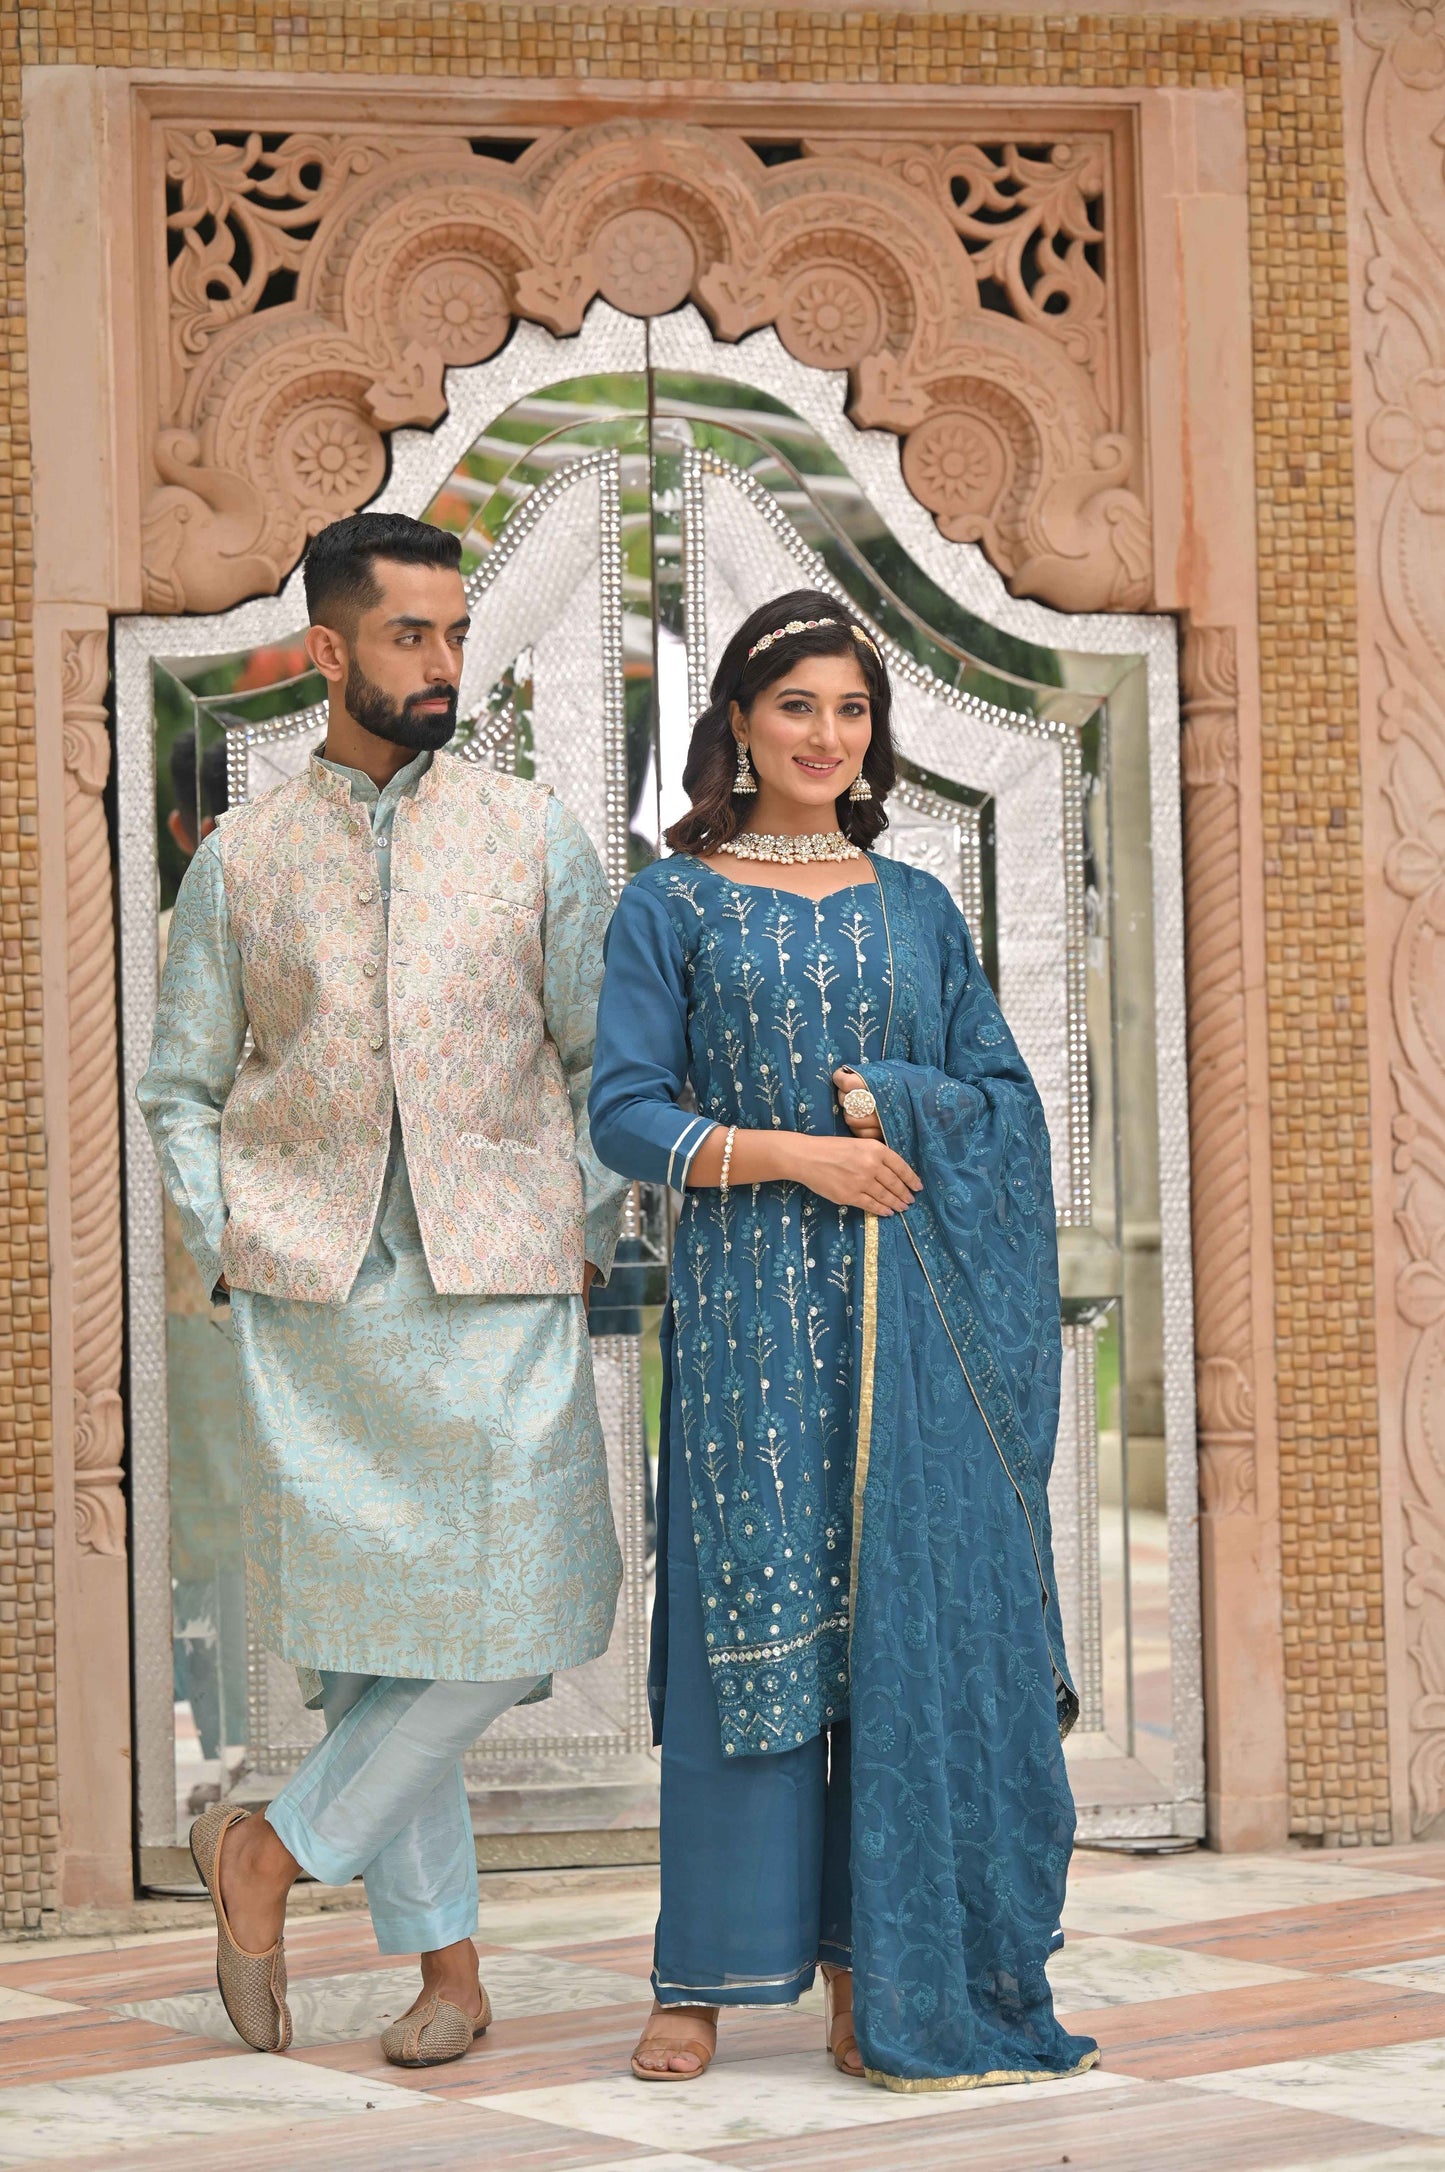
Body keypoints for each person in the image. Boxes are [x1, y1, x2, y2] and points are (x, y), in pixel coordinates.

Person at [589, 589, 1099, 2093]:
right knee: (748, 1641)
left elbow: (1003, 1106)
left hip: (908, 1337)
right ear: (739, 725)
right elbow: (624, 1114)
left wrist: (898, 1101)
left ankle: (877, 1967)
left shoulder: (918, 908)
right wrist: (798, 1154)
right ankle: (701, 1977)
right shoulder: (671, 904)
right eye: (796, 706)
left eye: (852, 710)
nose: (826, 736)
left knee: (890, 1649)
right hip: (748, 1324)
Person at [139, 510, 626, 2068]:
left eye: (454, 633)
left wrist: (576, 1218)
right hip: (322, 1296)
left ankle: (266, 1850)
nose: (441, 663)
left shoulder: (533, 837)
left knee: (522, 1617)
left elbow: (601, 1060)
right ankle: (449, 1979)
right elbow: (180, 1085)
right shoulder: (244, 860)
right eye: (410, 634)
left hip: (500, 1281)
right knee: (378, 1655)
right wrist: (236, 1237)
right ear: (327, 650)